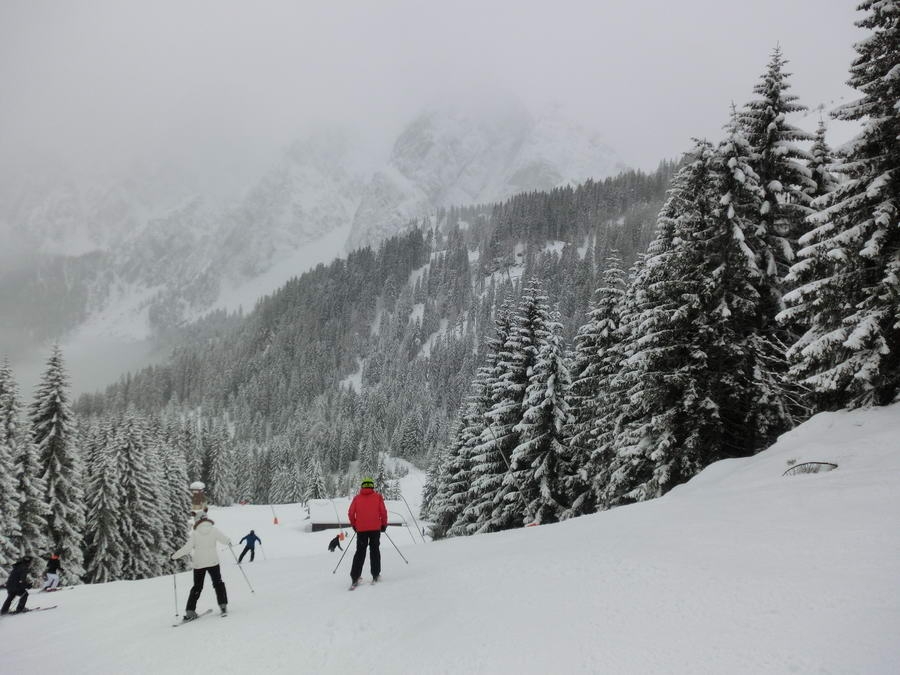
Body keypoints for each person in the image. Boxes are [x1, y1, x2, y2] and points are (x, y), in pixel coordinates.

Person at [171, 514, 231, 620]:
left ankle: (190, 611)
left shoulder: (195, 533)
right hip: (213, 562)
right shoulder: (214, 530)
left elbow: (187, 548)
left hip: (199, 564)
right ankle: (223, 605)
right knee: (218, 583)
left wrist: (174, 556)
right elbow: (225, 540)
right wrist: (229, 542)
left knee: (197, 587)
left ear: (197, 520)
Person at [347, 477, 388, 586]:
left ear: (362, 487)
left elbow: (351, 513)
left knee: (360, 552)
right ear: (372, 486)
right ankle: (375, 574)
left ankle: (355, 577)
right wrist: (384, 524)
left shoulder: (357, 498)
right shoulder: (378, 497)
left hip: (361, 530)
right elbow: (383, 512)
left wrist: (354, 525)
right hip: (375, 529)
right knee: (374, 550)